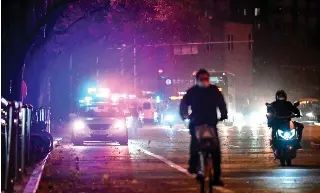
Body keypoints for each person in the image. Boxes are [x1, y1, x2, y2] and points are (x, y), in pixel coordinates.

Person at [179, 68, 228, 186]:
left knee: (215, 150)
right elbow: (183, 105)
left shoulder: (214, 90)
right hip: (196, 123)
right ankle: (193, 165)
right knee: (195, 144)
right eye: (202, 79)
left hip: (211, 123)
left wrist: (224, 115)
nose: (204, 81)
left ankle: (216, 177)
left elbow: (222, 104)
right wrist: (184, 115)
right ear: (197, 80)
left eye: (206, 79)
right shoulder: (192, 92)